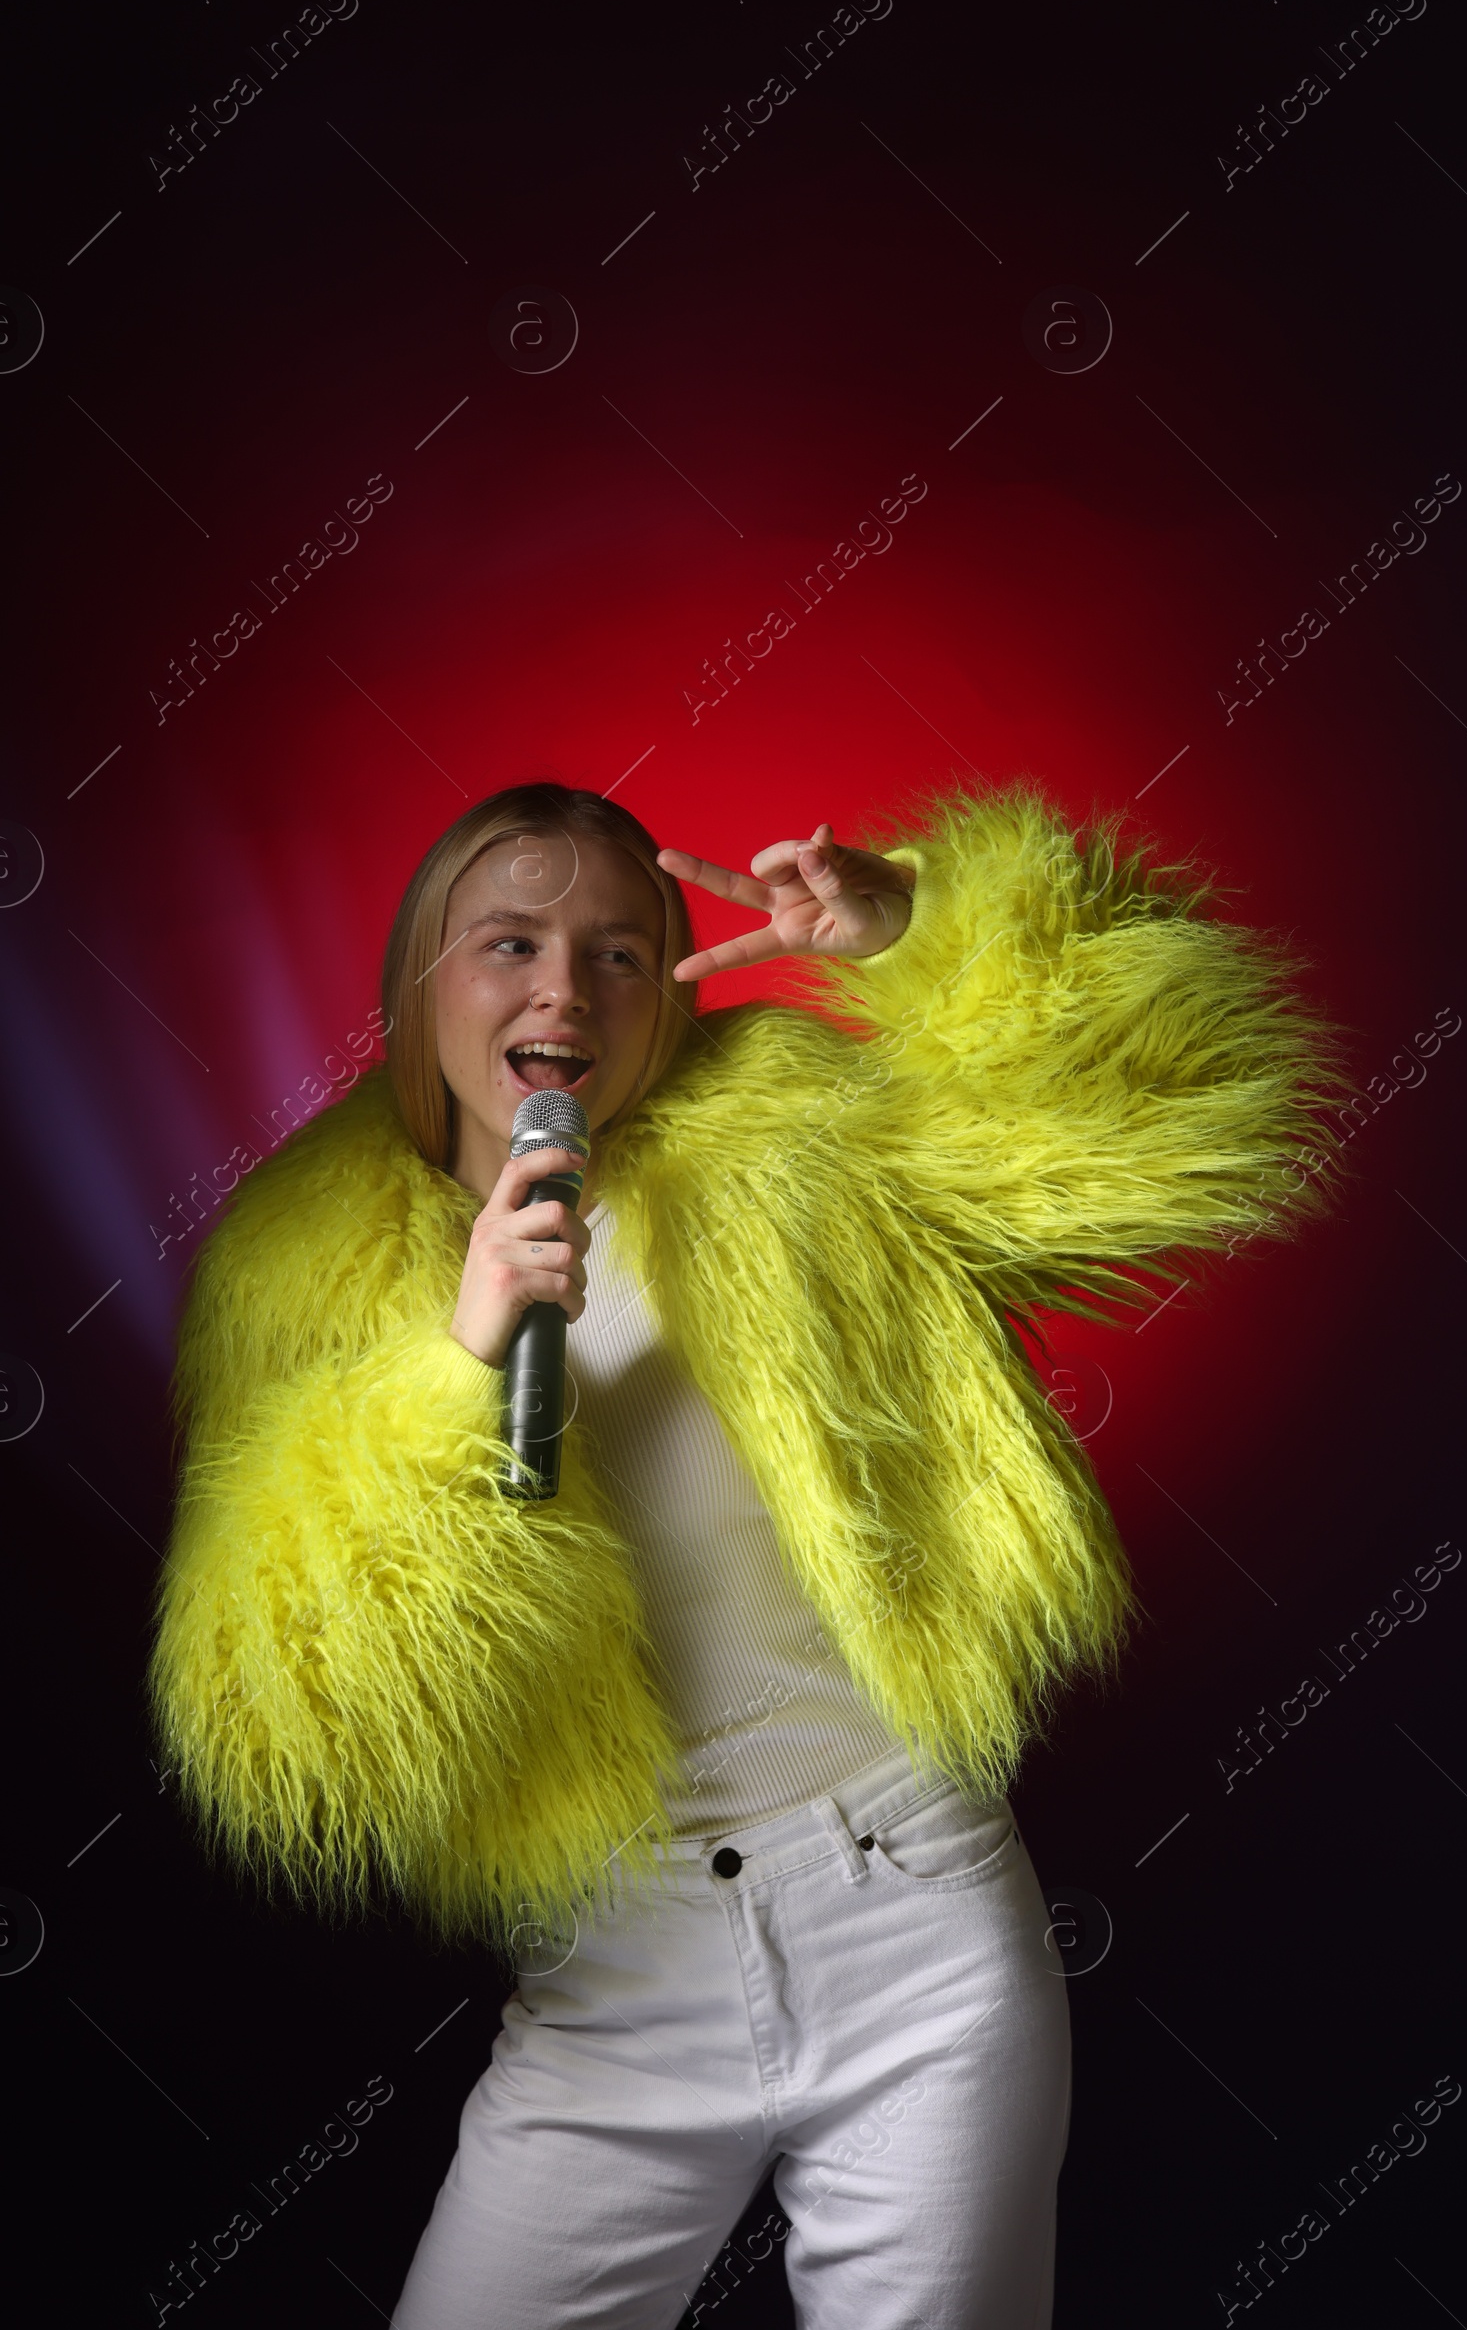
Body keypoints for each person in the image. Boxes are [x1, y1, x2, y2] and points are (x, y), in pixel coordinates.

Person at [149, 777, 1351, 2328]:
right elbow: (281, 1715)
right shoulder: (295, 1259)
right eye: (507, 942)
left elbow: (1181, 1115)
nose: (563, 989)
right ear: (419, 984)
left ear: (670, 993)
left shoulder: (793, 1129)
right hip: (607, 1986)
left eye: (621, 952)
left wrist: (923, 932)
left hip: (909, 1917)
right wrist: (455, 1372)